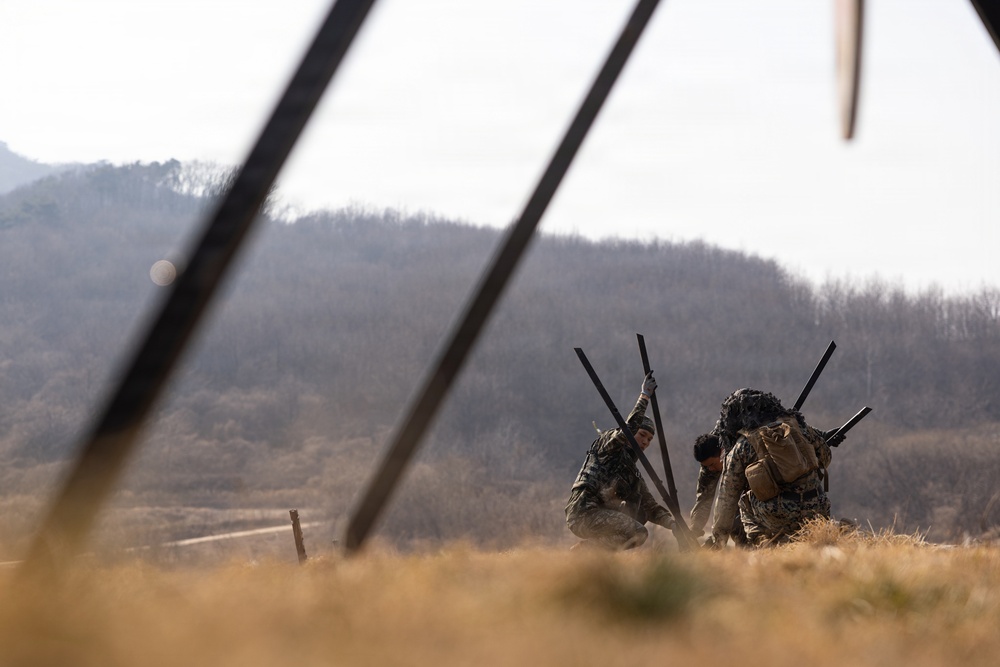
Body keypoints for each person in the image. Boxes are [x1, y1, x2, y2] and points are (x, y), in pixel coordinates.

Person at [707, 388, 836, 548]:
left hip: (778, 517)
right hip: (818, 510)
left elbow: (727, 497)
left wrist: (718, 540)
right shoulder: (800, 428)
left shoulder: (742, 445)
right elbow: (825, 458)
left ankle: (762, 546)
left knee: (743, 502)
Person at [565, 371, 677, 550]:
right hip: (583, 512)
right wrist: (644, 396)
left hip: (601, 517)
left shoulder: (631, 473)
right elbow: (628, 429)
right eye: (642, 435)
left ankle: (586, 558)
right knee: (638, 532)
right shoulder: (609, 445)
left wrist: (673, 524)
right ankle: (583, 552)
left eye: (649, 439)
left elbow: (651, 506)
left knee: (636, 531)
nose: (645, 442)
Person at [689, 431, 748, 546]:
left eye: (712, 464)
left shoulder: (740, 451)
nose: (710, 469)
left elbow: (728, 501)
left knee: (736, 517)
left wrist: (717, 541)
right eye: (707, 466)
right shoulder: (708, 461)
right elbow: (703, 499)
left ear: (722, 453)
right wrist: (694, 529)